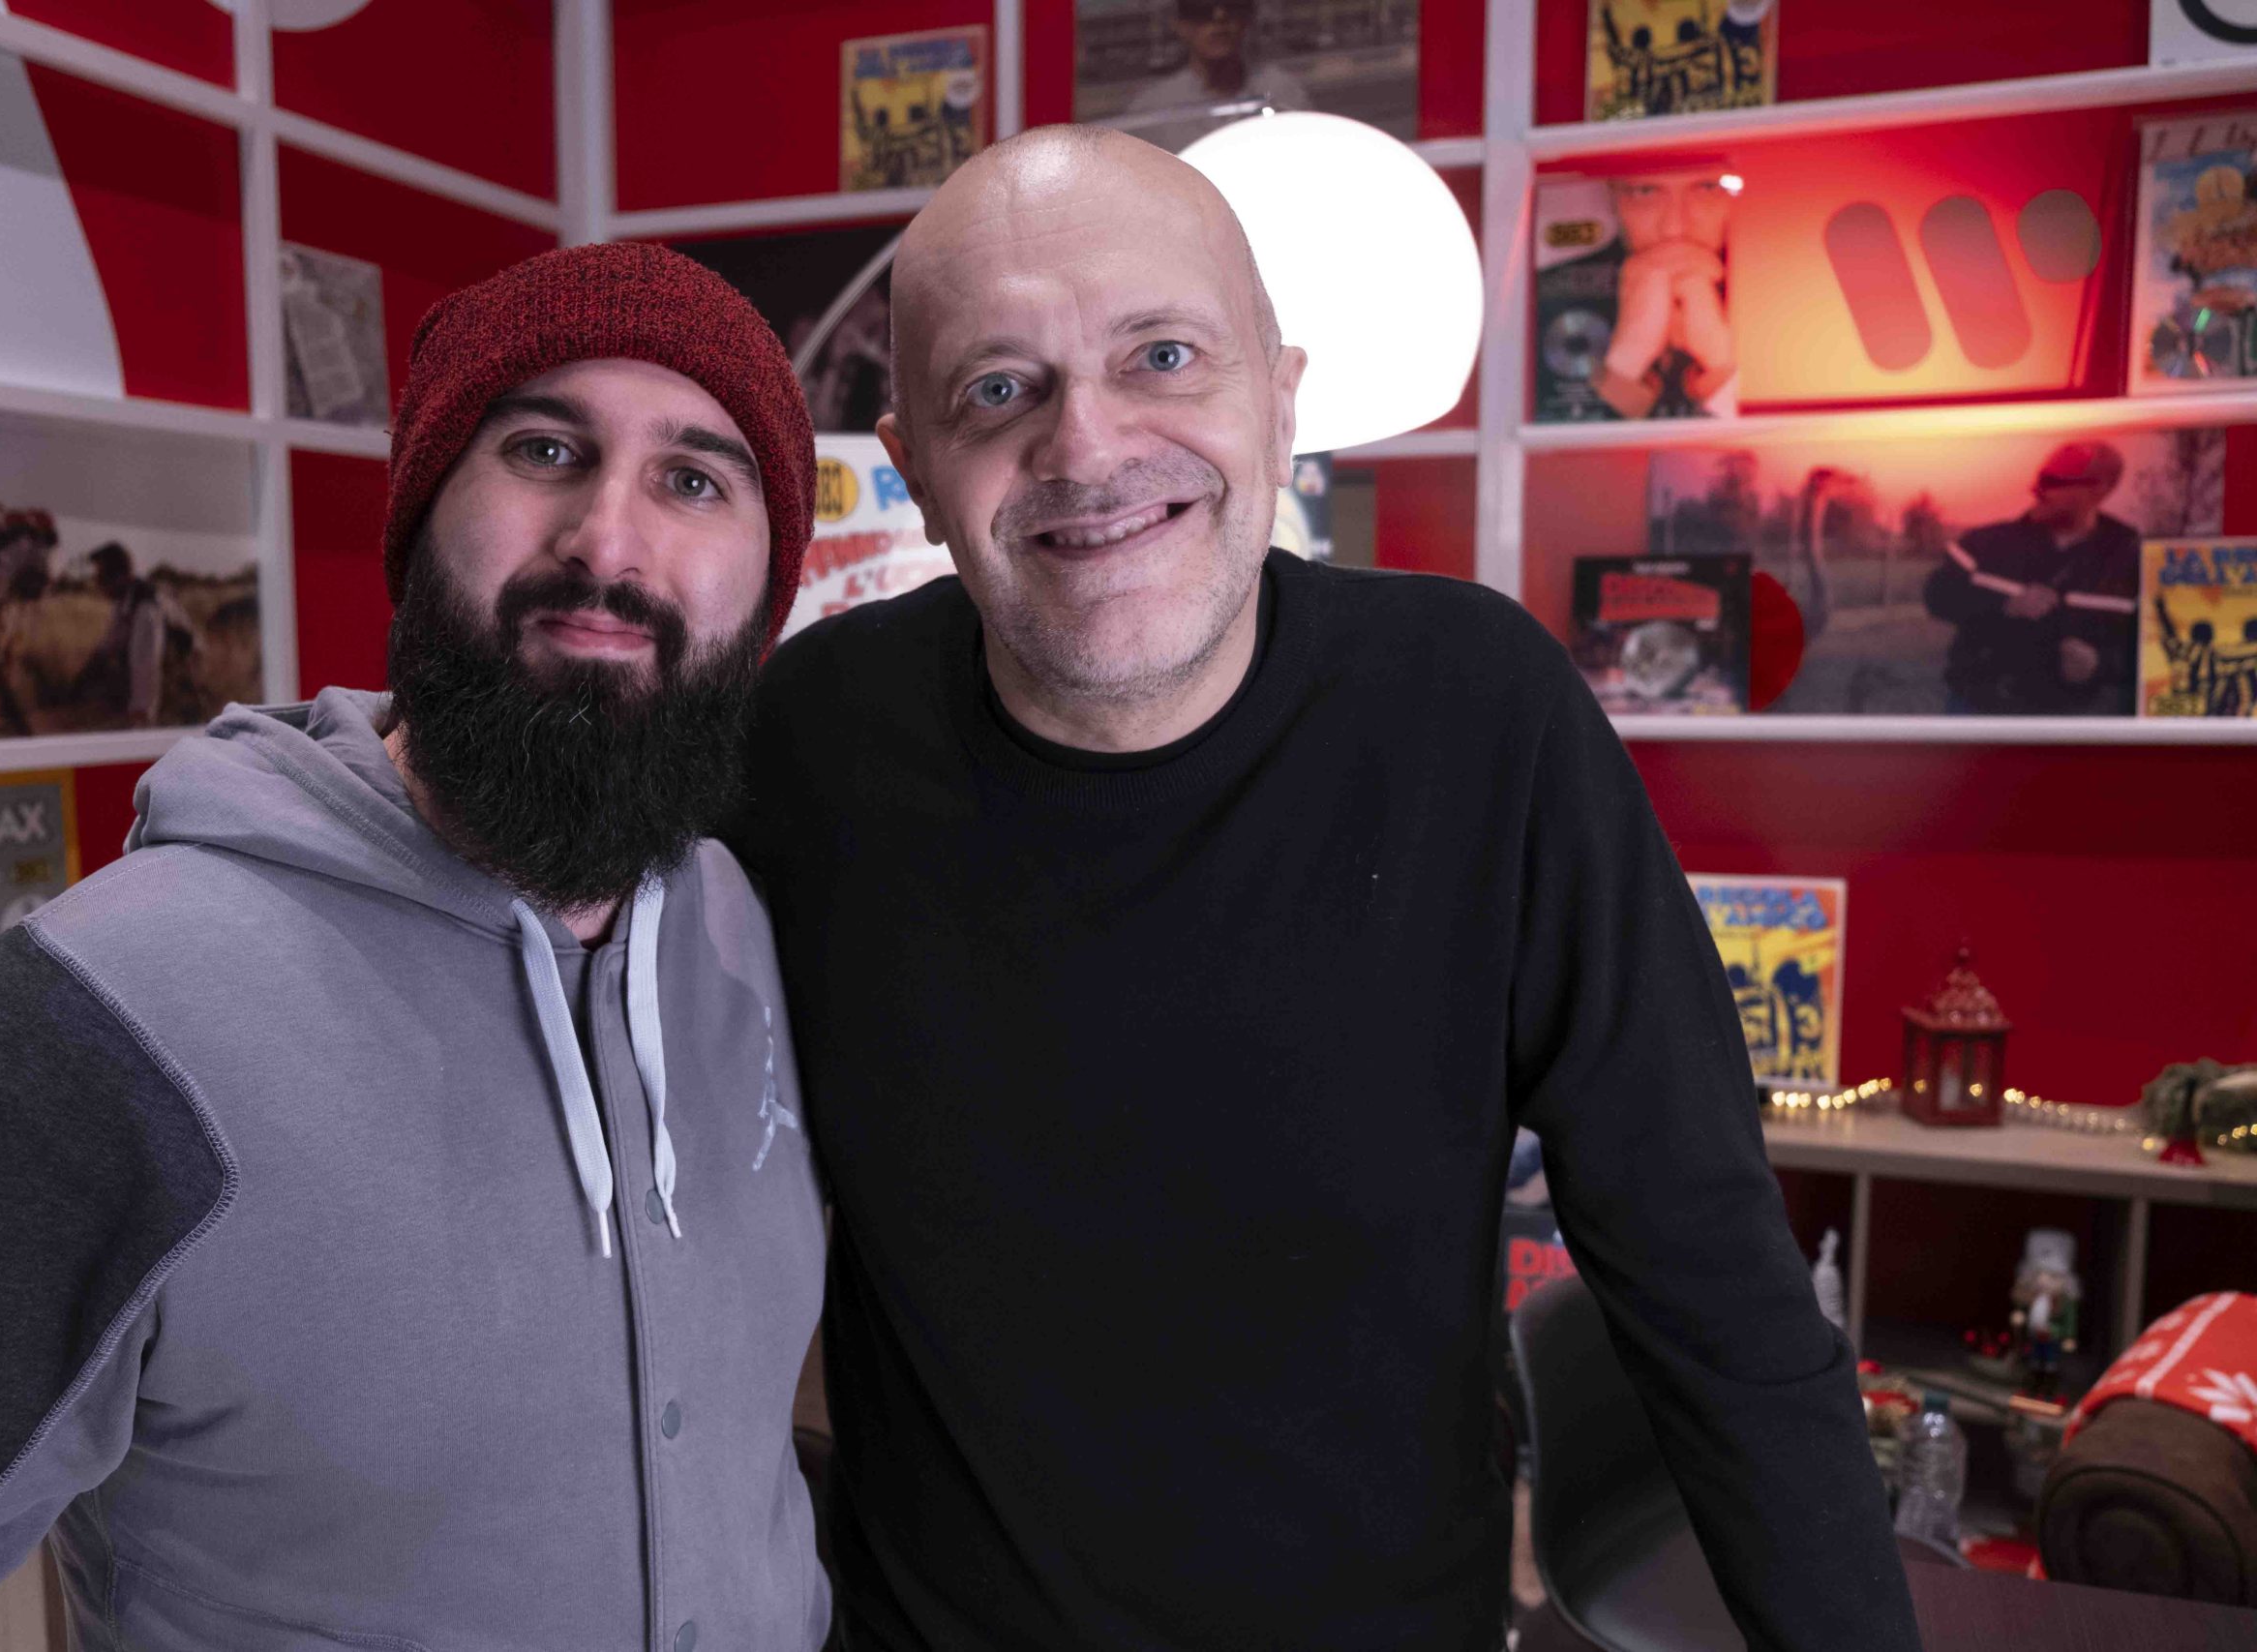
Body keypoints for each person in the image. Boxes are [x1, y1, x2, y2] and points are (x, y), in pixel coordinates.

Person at [726, 127, 1918, 1650]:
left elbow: (1715, 1282)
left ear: (1281, 399)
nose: (1087, 447)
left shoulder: (1478, 715)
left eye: (1163, 356)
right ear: (914, 467)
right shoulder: (803, 743)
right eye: (999, 389)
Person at [0, 244, 832, 1652]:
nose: (608, 542)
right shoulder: (76, 1033)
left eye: (695, 480)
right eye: (543, 449)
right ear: (422, 517)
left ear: (767, 586)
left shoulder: (747, 927)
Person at [1922, 439, 2140, 715]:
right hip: (1976, 710)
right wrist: (2004, 605)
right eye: (2041, 478)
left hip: (2068, 722)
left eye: (2055, 481)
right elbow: (1937, 595)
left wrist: (2101, 664)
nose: (2039, 490)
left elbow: (2156, 648)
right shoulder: (1985, 543)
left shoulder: (2130, 560)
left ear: (2100, 489)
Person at [1595, 168, 1738, 420]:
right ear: (1613, 200)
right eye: (1645, 191)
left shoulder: (1793, 291)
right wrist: (1627, 359)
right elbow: (1555, 433)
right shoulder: (1545, 292)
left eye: (1708, 188)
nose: (1674, 229)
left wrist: (1721, 367)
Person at [1121, 0, 1310, 153]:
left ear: (1247, 19)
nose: (1219, 17)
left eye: (1232, 5)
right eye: (1201, 9)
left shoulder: (1282, 93)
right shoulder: (1152, 110)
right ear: (1180, 24)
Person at [74, 541, 200, 728]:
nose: (97, 583)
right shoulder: (127, 600)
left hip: (186, 673)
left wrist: (140, 716)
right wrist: (82, 679)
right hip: (164, 665)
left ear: (120, 576)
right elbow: (111, 643)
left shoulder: (146, 608)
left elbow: (146, 667)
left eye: (101, 577)